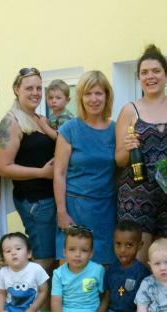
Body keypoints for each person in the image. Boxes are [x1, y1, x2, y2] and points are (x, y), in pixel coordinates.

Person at [115, 44, 167, 263]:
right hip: (136, 194)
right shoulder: (130, 110)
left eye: (156, 71)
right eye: (144, 72)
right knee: (136, 259)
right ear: (139, 77)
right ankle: (132, 298)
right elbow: (119, 160)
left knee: (163, 261)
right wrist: (127, 148)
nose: (150, 76)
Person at [0, 67, 59, 278]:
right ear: (16, 89)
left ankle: (48, 308)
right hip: (35, 201)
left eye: (39, 88)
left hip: (50, 198)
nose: (35, 93)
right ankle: (32, 307)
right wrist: (41, 173)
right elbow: (3, 167)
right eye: (29, 88)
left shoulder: (40, 119)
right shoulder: (12, 122)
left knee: (52, 259)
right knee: (44, 260)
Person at [53, 70, 117, 265]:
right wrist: (61, 212)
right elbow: (59, 173)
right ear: (80, 98)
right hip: (75, 209)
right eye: (88, 94)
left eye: (98, 93)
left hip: (106, 210)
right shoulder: (69, 129)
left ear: (107, 96)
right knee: (70, 273)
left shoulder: (116, 129)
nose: (93, 99)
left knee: (102, 274)